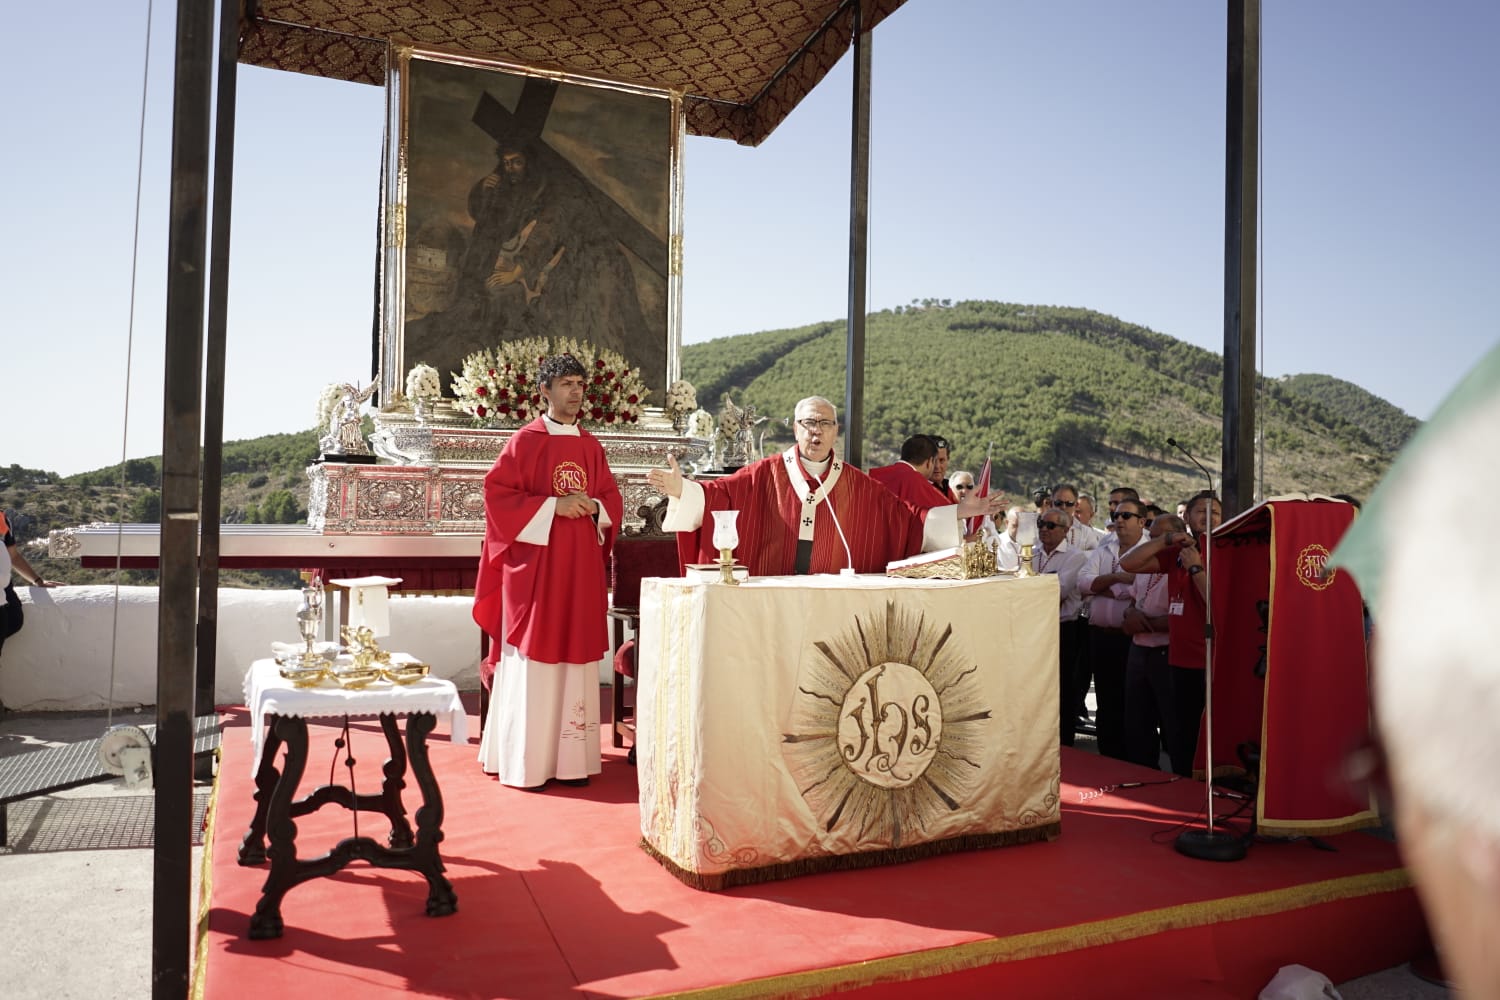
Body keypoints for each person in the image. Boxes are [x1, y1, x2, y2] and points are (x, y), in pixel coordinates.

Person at [472, 354, 625, 791]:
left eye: (580, 383)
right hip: (536, 574)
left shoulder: (591, 446)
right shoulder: (524, 441)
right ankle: (529, 763)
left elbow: (611, 499)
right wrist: (552, 506)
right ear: (544, 391)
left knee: (573, 657)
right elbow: (497, 495)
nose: (575, 392)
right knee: (535, 659)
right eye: (565, 384)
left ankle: (572, 762)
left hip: (578, 571)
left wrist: (594, 506)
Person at [412, 135, 663, 392]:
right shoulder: (533, 188)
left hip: (600, 266)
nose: (510, 169)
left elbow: (546, 233)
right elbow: (504, 220)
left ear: (530, 163)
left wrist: (515, 273)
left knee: (601, 324)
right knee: (556, 317)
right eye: (506, 163)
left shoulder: (560, 194)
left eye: (516, 162)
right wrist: (483, 190)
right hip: (575, 261)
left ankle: (605, 389)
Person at [647, 397, 1005, 575]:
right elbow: (718, 495)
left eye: (825, 424)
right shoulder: (764, 474)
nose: (816, 431)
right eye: (808, 423)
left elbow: (906, 519)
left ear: (836, 431)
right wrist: (683, 490)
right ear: (795, 429)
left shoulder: (856, 484)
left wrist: (960, 511)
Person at [1120, 490, 1222, 776]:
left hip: (1210, 661)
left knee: (1210, 741)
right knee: (1181, 740)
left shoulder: (1225, 551)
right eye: (1200, 511)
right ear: (1186, 517)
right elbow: (1128, 563)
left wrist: (1196, 568)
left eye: (1214, 512)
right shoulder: (1177, 551)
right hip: (1178, 660)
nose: (1208, 516)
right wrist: (1165, 539)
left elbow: (1218, 605)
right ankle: (1185, 796)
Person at [1078, 497, 1149, 760]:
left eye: (1126, 516)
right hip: (1101, 636)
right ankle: (1107, 757)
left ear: (1141, 521)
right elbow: (1083, 584)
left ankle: (1133, 759)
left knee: (1132, 701)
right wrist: (1118, 577)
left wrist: (1103, 587)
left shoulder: (1149, 551)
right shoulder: (1105, 548)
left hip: (1130, 639)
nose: (1118, 520)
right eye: (1116, 515)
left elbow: (1137, 591)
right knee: (1106, 700)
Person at [1120, 514, 1180, 769]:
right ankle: (1142, 770)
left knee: (1172, 721)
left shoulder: (1181, 565)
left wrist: (1147, 624)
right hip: (1139, 649)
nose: (1153, 542)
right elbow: (1134, 599)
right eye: (1152, 537)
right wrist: (1131, 614)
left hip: (1165, 652)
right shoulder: (1147, 563)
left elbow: (1185, 614)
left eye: (1161, 538)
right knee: (1137, 720)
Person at [1036, 508, 1087, 745]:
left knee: (1063, 688)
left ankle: (1065, 743)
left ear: (1066, 531)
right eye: (1041, 523)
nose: (1044, 529)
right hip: (1034, 629)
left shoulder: (1074, 557)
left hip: (1062, 630)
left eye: (1050, 525)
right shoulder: (1030, 553)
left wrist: (1030, 590)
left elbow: (1058, 592)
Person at [1, 510, 58, 658]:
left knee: (14, 619)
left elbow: (13, 556)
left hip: (3, 595)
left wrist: (37, 580)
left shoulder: (2, 519)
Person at [869, 435, 948, 510]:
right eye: (934, 462)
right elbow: (948, 513)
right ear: (929, 462)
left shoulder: (873, 476)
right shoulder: (918, 484)